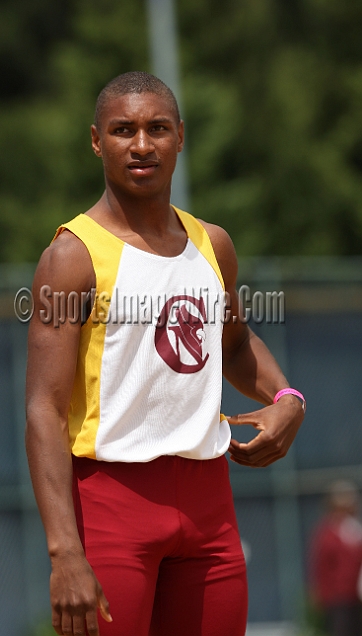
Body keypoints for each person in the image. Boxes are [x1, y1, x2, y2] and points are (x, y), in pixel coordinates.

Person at [25, 71, 305, 636]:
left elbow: (234, 343)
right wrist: (64, 553)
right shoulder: (71, 257)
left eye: (157, 128)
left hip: (209, 511)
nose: (142, 144)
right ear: (97, 141)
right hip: (109, 507)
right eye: (123, 130)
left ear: (181, 135)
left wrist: (287, 397)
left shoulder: (212, 244)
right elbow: (43, 410)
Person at [309, 480, 362, 636]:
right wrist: (320, 595)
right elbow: (321, 566)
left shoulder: (355, 529)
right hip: (337, 599)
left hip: (356, 597)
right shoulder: (327, 532)